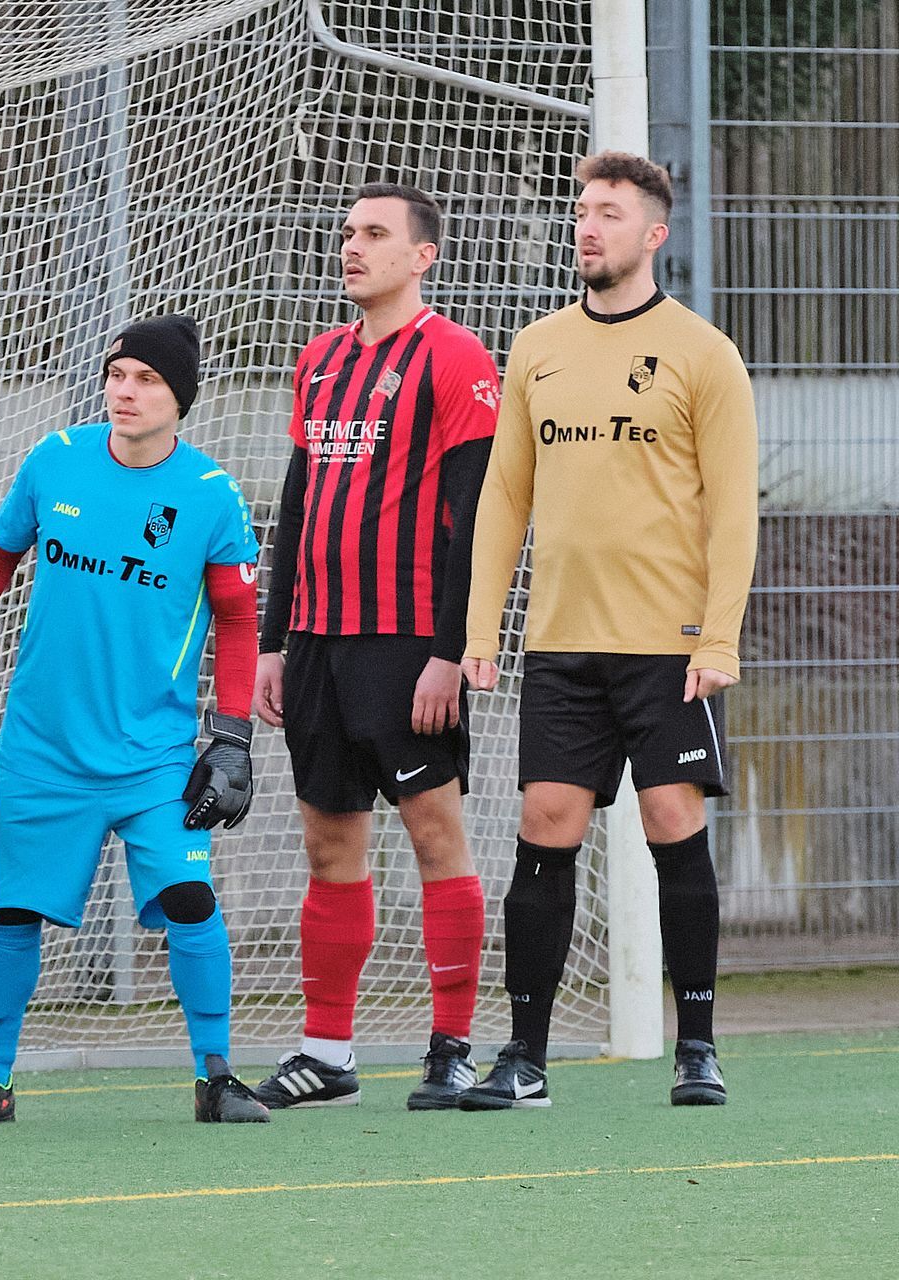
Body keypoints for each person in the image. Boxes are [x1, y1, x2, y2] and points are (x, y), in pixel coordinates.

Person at [0, 314, 271, 1126]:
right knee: (12, 911)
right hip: (43, 748)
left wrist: (232, 738)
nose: (125, 391)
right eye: (116, 374)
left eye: (147, 380)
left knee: (191, 900)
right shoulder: (55, 459)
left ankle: (217, 1077)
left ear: (180, 399)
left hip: (154, 753)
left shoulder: (211, 494)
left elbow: (239, 621)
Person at [457, 151, 758, 1110]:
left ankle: (697, 1047)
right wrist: (480, 628)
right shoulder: (536, 346)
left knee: (673, 822)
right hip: (561, 644)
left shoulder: (703, 353)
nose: (588, 226)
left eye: (611, 214)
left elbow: (733, 511)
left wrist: (718, 639)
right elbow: (505, 496)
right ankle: (525, 1059)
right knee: (545, 827)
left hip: (670, 647)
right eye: (583, 210)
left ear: (654, 233)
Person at [249, 185, 498, 1111]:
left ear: (423, 255)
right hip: (316, 643)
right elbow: (296, 504)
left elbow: (476, 520)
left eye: (375, 233)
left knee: (434, 833)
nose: (352, 246)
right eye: (348, 232)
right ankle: (327, 1055)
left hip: (407, 643)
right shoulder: (318, 360)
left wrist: (450, 651)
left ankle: (452, 1047)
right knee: (328, 842)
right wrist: (272, 642)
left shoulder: (455, 355)